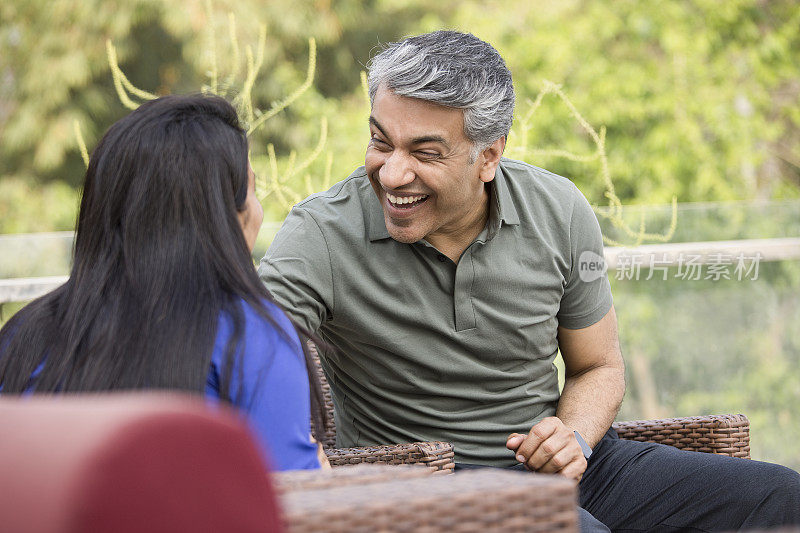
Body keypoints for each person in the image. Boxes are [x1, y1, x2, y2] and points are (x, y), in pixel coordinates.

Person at [259, 31, 800, 530]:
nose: (393, 174)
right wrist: (312, 474)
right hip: (425, 484)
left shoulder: (559, 209)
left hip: (571, 471)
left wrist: (575, 438)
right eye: (381, 143)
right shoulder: (321, 233)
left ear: (488, 156)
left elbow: (599, 367)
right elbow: (247, 355)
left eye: (424, 153)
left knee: (782, 501)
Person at [0, 94, 327, 472]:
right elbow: (288, 505)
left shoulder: (22, 334)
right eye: (253, 190)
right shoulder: (249, 334)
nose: (259, 209)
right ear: (226, 218)